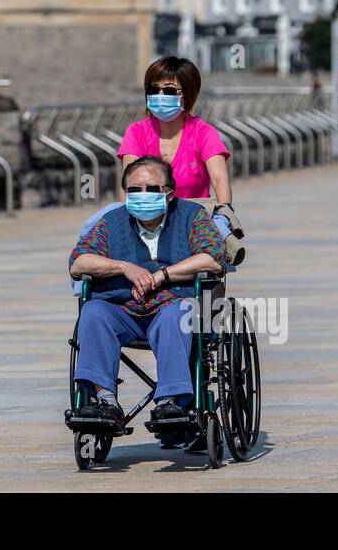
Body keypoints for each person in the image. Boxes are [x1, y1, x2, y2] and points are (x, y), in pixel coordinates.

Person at [69, 156, 227, 427]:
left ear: (168, 193)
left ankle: (170, 403)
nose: (142, 195)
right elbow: (78, 261)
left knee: (176, 314)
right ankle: (104, 402)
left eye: (151, 189)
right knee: (93, 312)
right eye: (134, 190)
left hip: (172, 305)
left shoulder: (191, 216)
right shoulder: (112, 222)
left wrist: (162, 275)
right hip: (124, 309)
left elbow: (213, 256)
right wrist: (123, 267)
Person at [117, 56, 232, 205]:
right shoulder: (136, 132)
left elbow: (219, 180)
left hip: (195, 219)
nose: (160, 95)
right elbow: (128, 183)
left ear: (187, 95)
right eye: (154, 89)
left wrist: (224, 215)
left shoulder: (204, 133)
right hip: (146, 218)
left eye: (169, 90)